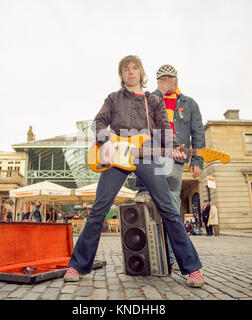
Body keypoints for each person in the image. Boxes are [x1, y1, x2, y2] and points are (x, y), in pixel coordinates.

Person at [63, 55, 204, 288]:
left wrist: (172, 149)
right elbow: (98, 122)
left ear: (141, 73)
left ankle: (192, 268)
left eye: (134, 68)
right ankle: (76, 265)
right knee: (98, 210)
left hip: (147, 157)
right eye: (126, 69)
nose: (130, 73)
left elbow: (165, 130)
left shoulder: (154, 101)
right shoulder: (113, 98)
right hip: (116, 159)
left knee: (169, 209)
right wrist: (106, 141)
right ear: (122, 75)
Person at [135, 64, 205, 270]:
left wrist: (197, 161)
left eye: (170, 78)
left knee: (172, 209)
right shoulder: (150, 99)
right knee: (148, 207)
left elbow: (197, 131)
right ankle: (148, 255)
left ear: (176, 80)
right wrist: (159, 92)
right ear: (157, 81)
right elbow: (138, 115)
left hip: (176, 159)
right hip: (152, 158)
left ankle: (174, 258)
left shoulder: (189, 103)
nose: (167, 81)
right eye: (162, 78)